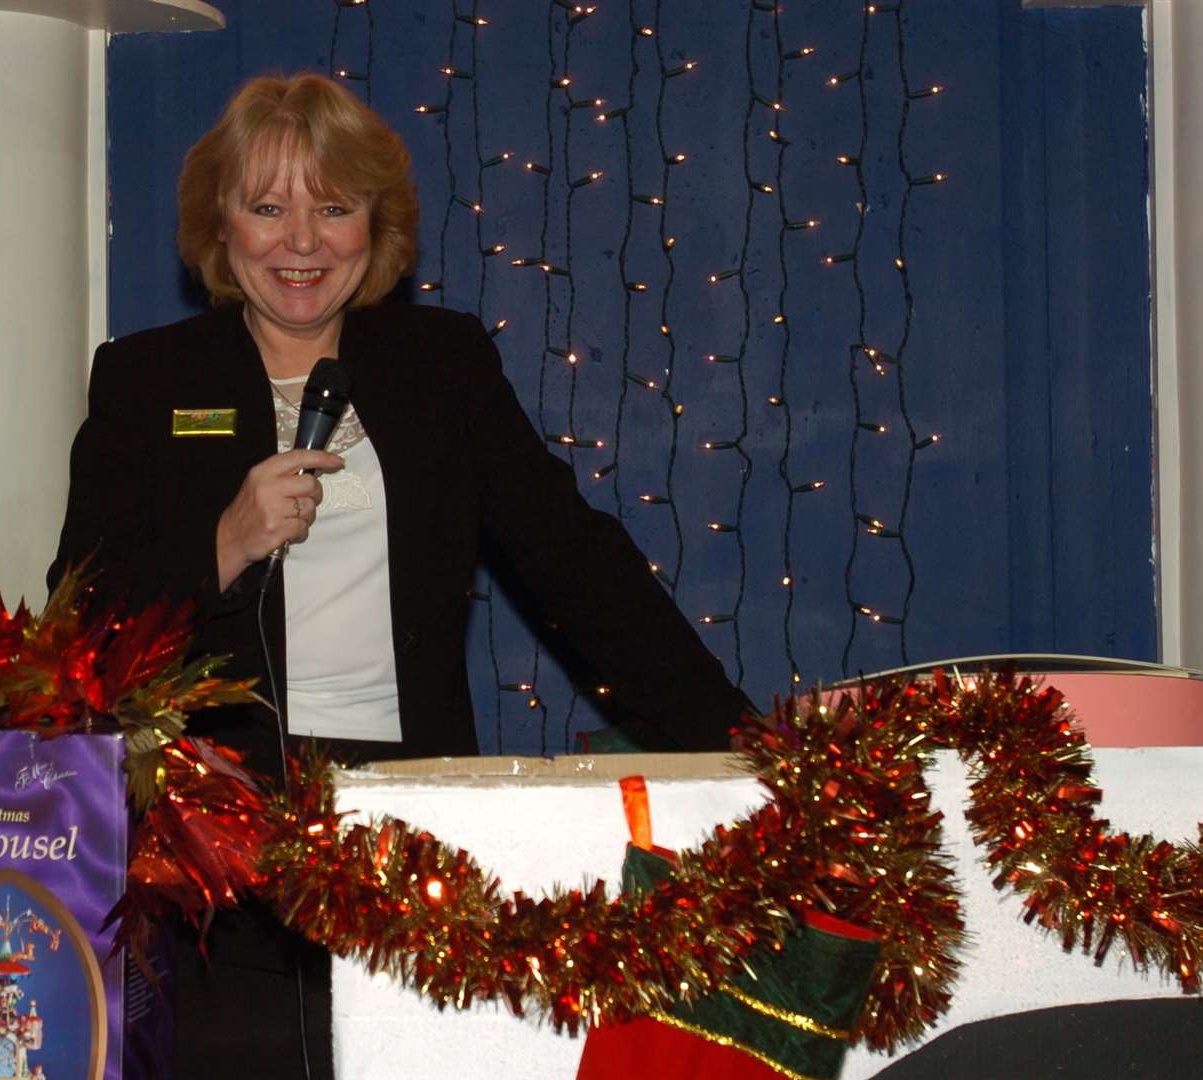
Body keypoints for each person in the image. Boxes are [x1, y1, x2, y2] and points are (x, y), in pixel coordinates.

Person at [48, 73, 755, 1079]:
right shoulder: (147, 378)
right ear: (222, 224)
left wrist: (739, 747)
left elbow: (575, 566)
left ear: (374, 228)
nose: (301, 240)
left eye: (333, 208)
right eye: (268, 206)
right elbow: (79, 623)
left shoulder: (441, 365)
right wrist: (226, 541)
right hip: (216, 843)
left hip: (412, 825)